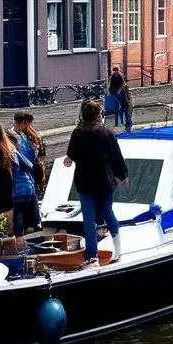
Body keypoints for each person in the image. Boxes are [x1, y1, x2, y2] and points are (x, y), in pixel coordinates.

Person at [63, 99, 127, 265]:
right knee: (107, 213)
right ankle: (119, 249)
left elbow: (72, 154)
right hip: (105, 181)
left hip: (85, 182)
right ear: (99, 115)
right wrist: (123, 175)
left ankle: (92, 256)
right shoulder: (107, 134)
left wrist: (71, 160)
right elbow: (116, 157)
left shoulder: (77, 133)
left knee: (88, 219)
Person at [9, 112, 42, 234]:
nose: (30, 126)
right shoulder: (13, 138)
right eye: (28, 124)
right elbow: (26, 161)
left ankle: (25, 238)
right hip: (19, 183)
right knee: (21, 215)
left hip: (27, 182)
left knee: (27, 215)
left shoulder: (22, 136)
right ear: (23, 123)